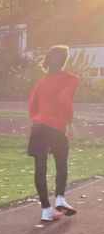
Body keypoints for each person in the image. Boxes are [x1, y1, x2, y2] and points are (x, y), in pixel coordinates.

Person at [28, 45, 80, 221]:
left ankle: (46, 209)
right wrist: (69, 123)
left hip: (38, 126)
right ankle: (60, 198)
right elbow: (65, 99)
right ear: (65, 61)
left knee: (40, 168)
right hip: (56, 127)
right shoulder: (72, 79)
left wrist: (38, 119)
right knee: (61, 165)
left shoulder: (41, 82)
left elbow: (31, 104)